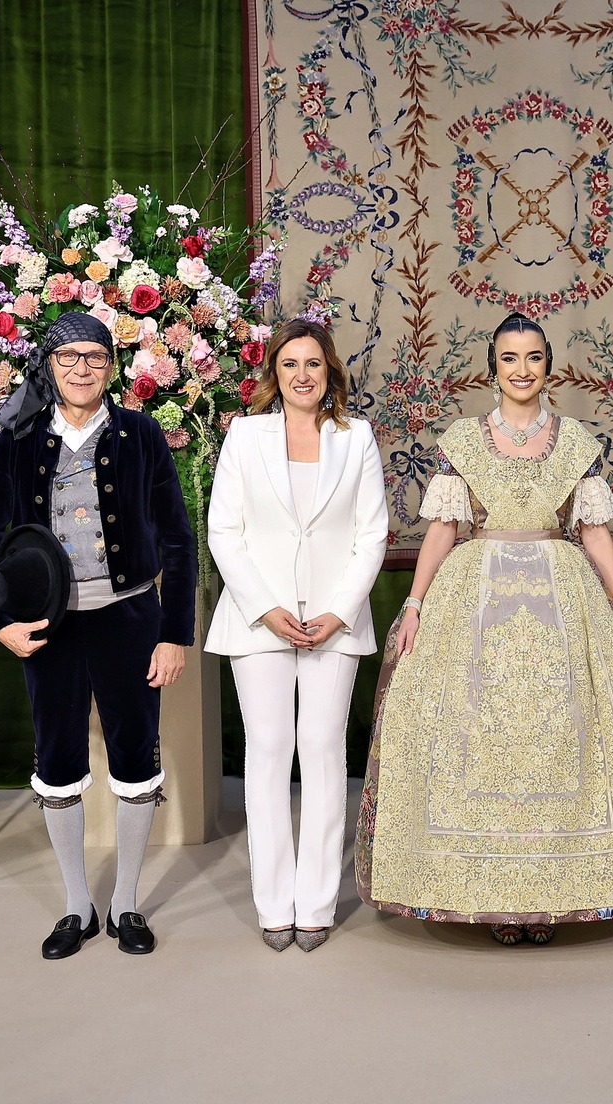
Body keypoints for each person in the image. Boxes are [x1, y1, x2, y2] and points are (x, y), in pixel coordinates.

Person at [355, 312, 613, 945]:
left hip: (563, 602)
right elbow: (443, 528)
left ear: (549, 367)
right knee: (479, 734)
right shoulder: (464, 438)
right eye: (510, 358)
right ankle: (489, 898)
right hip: (474, 595)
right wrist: (414, 605)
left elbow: (594, 530)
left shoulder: (574, 441)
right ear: (494, 369)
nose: (522, 369)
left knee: (563, 734)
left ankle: (550, 899)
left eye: (533, 357)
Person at [0, 311, 197, 959]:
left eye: (95, 357)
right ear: (51, 367)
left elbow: (177, 538)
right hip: (51, 626)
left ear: (113, 367)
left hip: (129, 618)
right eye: (69, 359)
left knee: (135, 756)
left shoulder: (142, 434)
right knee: (58, 760)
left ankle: (126, 904)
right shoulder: (18, 439)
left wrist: (174, 633)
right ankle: (76, 907)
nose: (83, 368)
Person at [206, 318, 387, 952]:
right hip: (261, 620)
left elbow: (372, 534)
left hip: (334, 623)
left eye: (314, 364)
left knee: (322, 750)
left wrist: (339, 610)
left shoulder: (355, 437)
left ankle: (315, 903)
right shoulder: (245, 436)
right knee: (269, 751)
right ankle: (272, 903)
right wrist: (265, 608)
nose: (302, 375)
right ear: (274, 372)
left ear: (329, 371)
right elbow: (223, 532)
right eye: (290, 364)